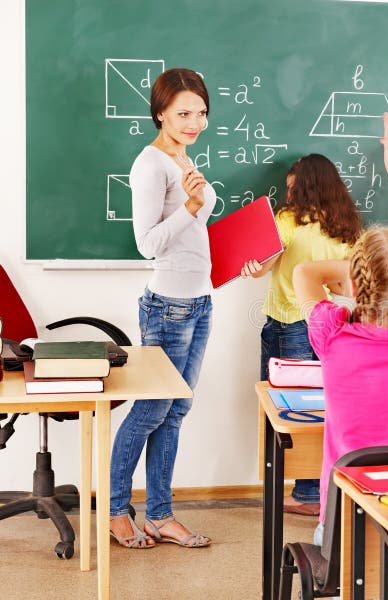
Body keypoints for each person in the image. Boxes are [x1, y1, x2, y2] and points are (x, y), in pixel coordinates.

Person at [293, 113, 388, 536]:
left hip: (344, 527)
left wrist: (362, 270)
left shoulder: (332, 333)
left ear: (356, 286)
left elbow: (305, 273)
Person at [109, 68, 214, 549]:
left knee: (175, 413)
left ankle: (159, 515)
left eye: (201, 113)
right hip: (167, 306)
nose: (194, 122)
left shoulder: (182, 158)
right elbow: (147, 244)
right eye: (183, 113)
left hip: (200, 300)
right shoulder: (150, 165)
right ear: (160, 114)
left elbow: (192, 238)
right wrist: (191, 207)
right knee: (150, 411)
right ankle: (115, 511)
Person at [241, 154, 362, 516]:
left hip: (287, 322)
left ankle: (302, 492)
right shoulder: (347, 227)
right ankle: (312, 489)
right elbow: (350, 285)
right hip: (324, 325)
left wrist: (252, 267)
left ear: (308, 188)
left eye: (294, 188)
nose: (288, 194)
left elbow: (264, 262)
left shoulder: (289, 219)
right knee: (313, 407)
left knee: (281, 407)